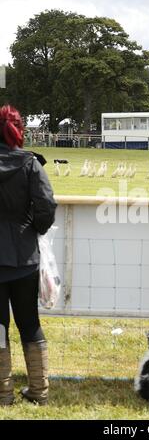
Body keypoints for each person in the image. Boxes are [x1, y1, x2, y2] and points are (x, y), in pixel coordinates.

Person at [0, 105, 57, 406]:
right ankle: (39, 390)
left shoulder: (30, 163)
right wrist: (33, 228)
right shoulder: (31, 163)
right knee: (29, 323)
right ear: (20, 129)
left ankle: (4, 393)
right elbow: (47, 206)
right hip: (24, 255)